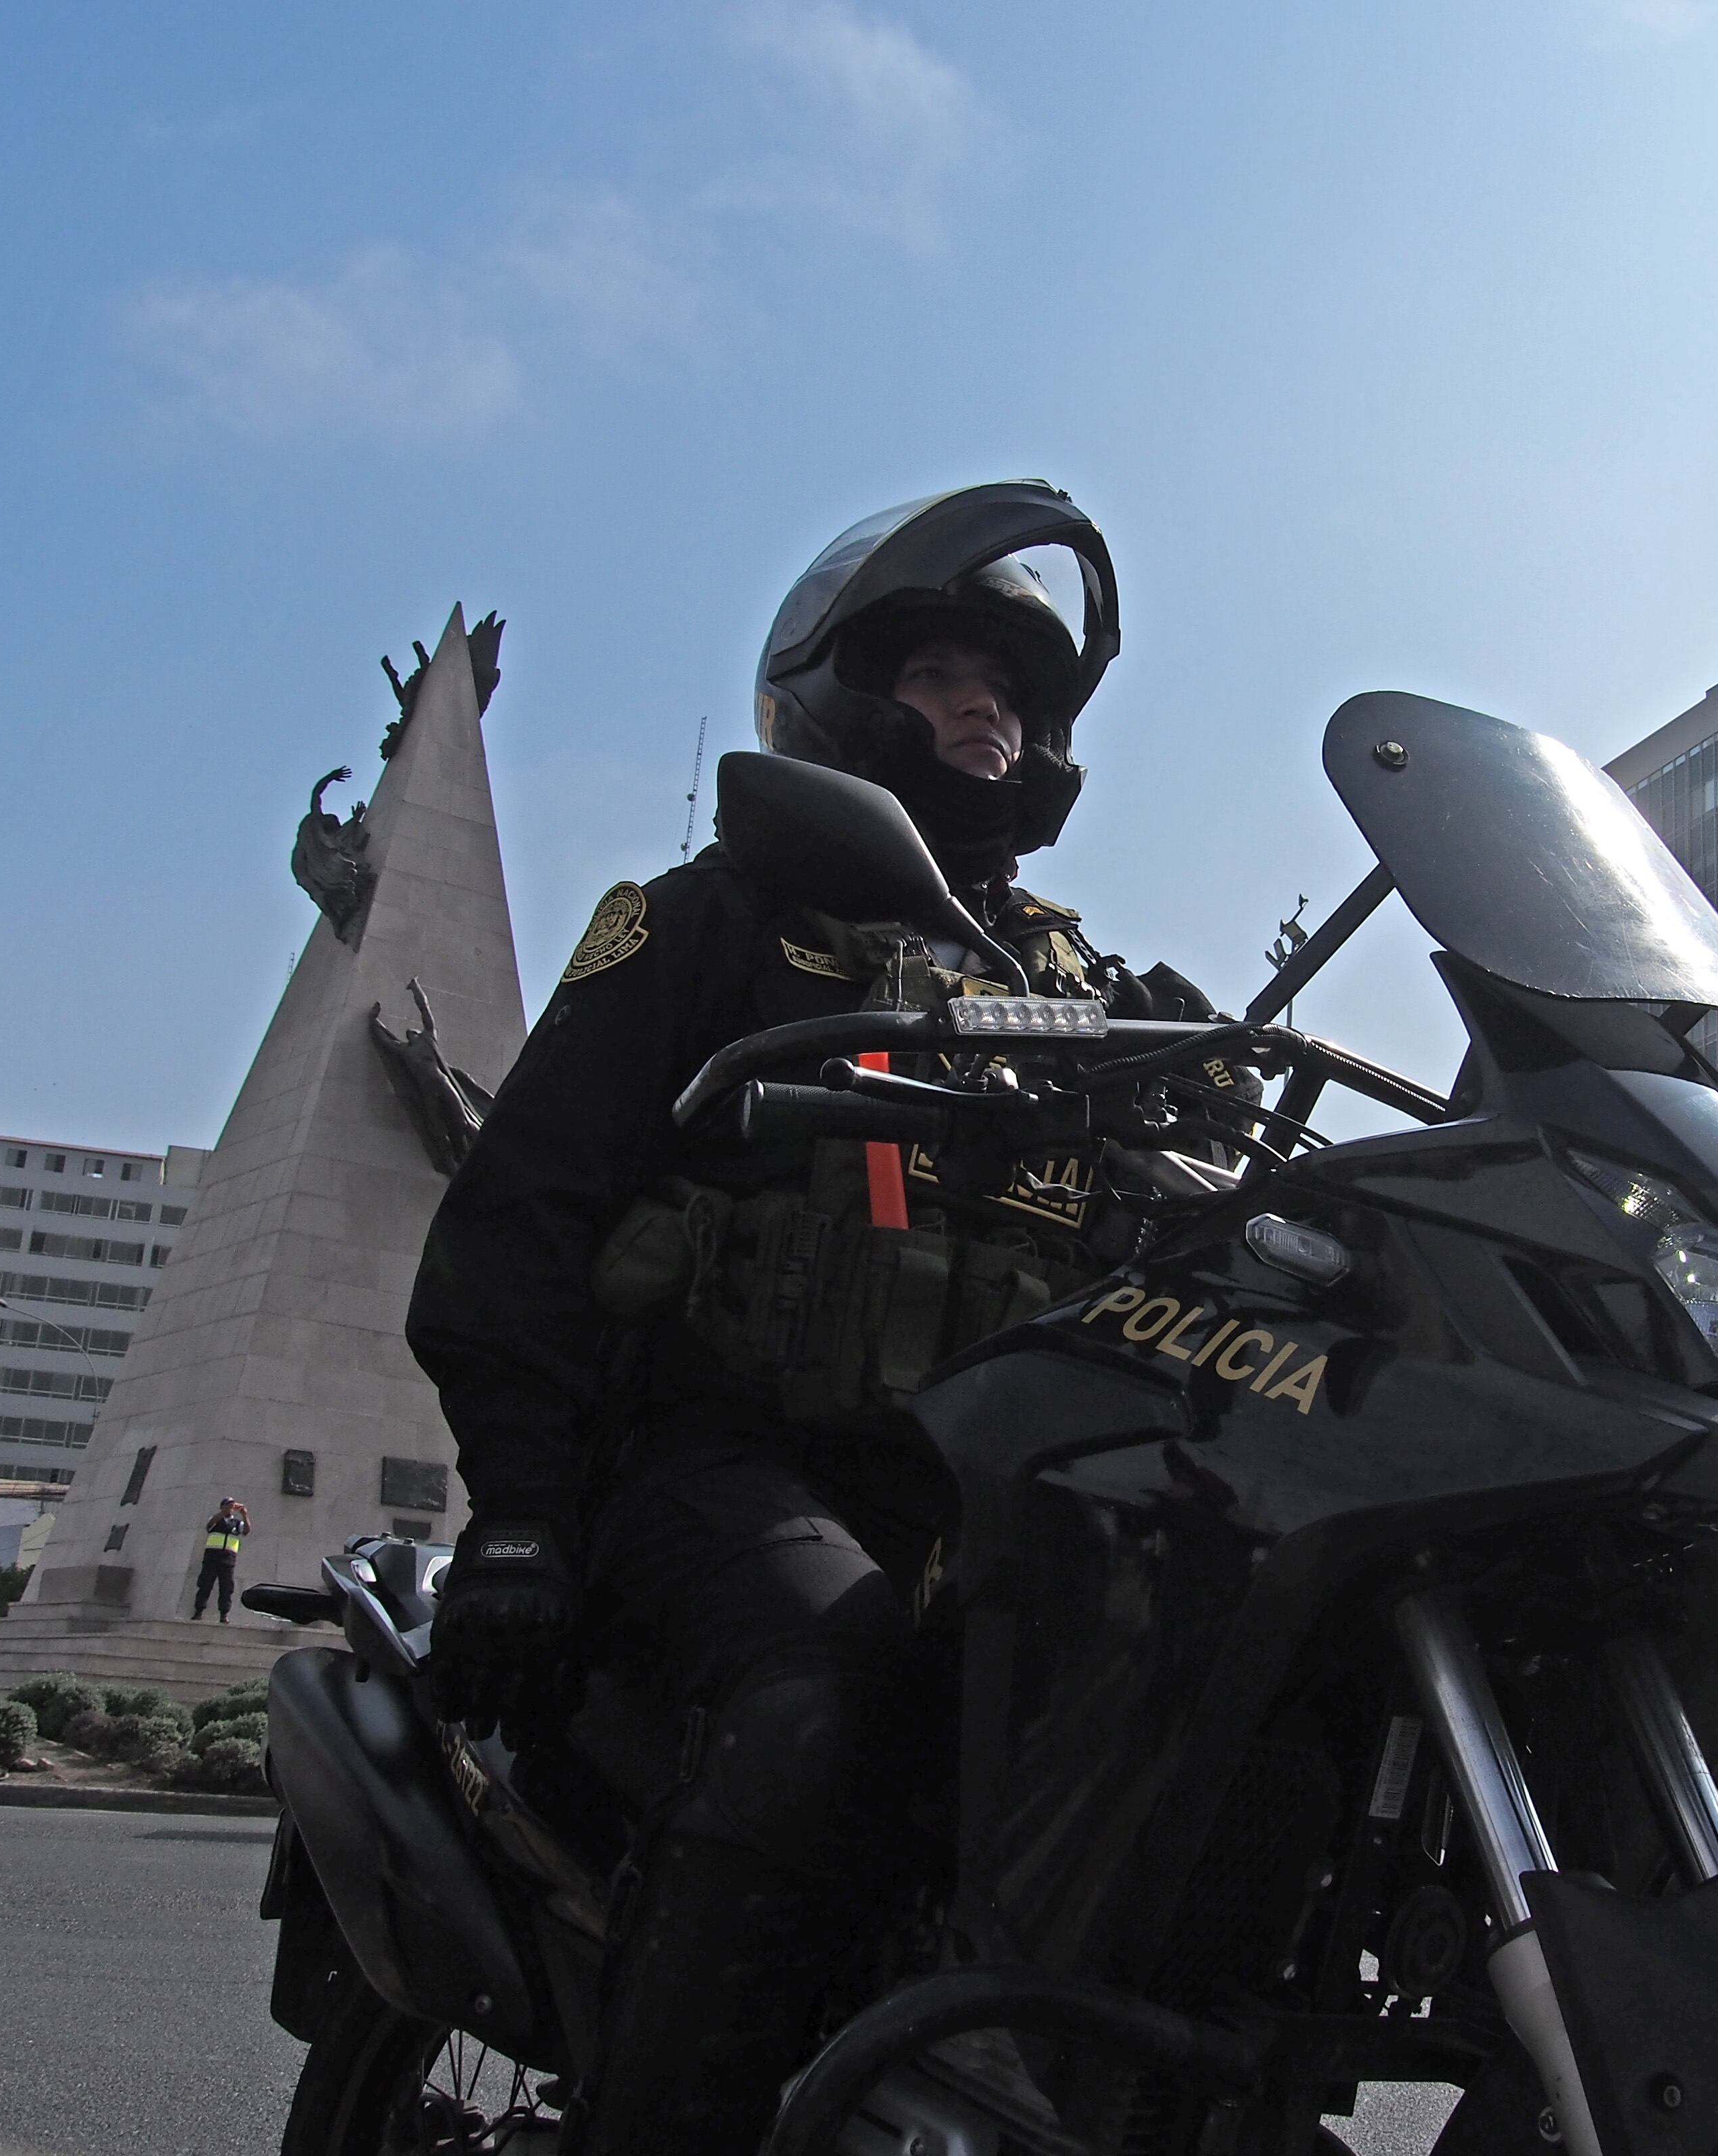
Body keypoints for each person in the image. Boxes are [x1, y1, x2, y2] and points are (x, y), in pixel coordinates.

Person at [406, 482, 1216, 2153]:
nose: (983, 708)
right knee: (822, 1691)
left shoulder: (1084, 991)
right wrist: (522, 1510)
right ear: (840, 693)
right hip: (718, 1463)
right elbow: (522, 1219)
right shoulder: (712, 920)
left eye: (1008, 690)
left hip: (989, 1501)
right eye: (938, 675)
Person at [192, 1496, 247, 1621]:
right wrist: (224, 1512)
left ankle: (224, 1614)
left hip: (228, 1561)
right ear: (222, 1507)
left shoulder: (237, 1523)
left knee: (226, 1588)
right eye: (228, 1505)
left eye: (232, 1505)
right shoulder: (216, 1519)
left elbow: (246, 1531)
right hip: (212, 1559)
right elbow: (210, 1525)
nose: (231, 1508)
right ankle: (199, 1611)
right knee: (205, 1586)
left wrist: (244, 1515)